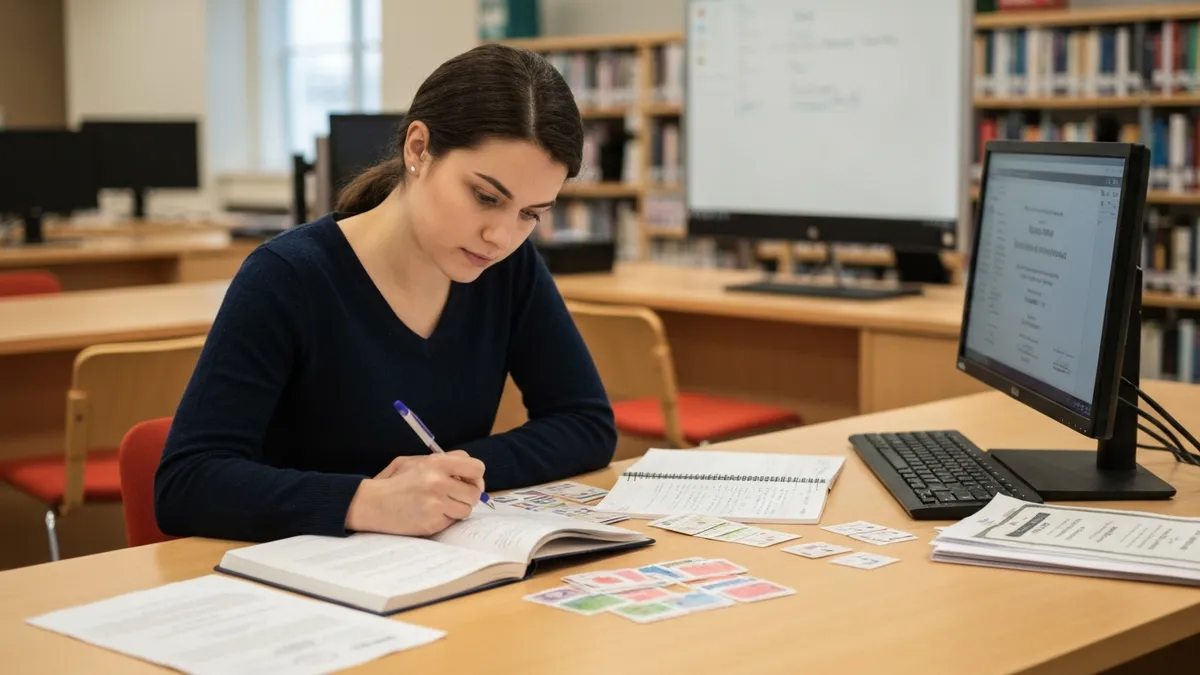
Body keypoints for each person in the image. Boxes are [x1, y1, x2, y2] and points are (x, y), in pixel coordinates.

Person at [154, 44, 617, 543]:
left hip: (438, 575)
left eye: (531, 214)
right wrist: (366, 501)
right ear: (418, 149)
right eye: (485, 197)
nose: (501, 237)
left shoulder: (508, 269)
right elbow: (187, 483)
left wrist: (457, 476)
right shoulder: (288, 277)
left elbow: (585, 422)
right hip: (302, 582)